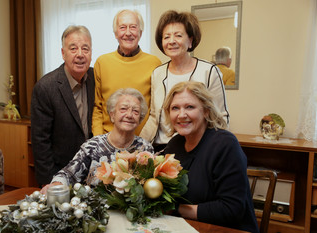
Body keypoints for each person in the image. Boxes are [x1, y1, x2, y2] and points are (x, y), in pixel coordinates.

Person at [162, 81, 259, 233]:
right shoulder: (175, 144)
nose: (181, 115)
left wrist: (175, 209)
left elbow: (231, 209)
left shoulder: (225, 144)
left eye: (190, 107)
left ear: (206, 111)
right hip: (186, 227)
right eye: (175, 108)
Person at [140, 10, 229, 152]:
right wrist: (138, 146)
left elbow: (221, 117)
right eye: (166, 37)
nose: (171, 41)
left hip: (197, 147)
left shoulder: (209, 71)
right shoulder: (158, 73)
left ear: (190, 40)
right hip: (161, 148)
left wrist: (213, 150)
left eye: (178, 36)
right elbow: (154, 116)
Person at [41, 88, 154, 193]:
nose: (129, 115)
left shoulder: (145, 149)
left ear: (140, 119)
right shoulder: (93, 146)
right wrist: (56, 183)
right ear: (112, 115)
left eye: (135, 111)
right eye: (123, 109)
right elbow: (69, 173)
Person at [31, 25, 95, 186]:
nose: (80, 54)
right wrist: (49, 183)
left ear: (91, 53)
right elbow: (40, 142)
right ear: (63, 53)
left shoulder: (96, 79)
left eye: (85, 49)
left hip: (94, 172)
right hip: (60, 175)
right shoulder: (46, 87)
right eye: (73, 48)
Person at [93, 9, 161, 136]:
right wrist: (99, 140)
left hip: (142, 140)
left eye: (133, 27)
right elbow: (97, 107)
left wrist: (145, 140)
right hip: (108, 140)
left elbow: (156, 109)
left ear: (140, 33)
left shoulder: (154, 63)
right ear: (115, 33)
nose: (128, 33)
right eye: (123, 27)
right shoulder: (102, 62)